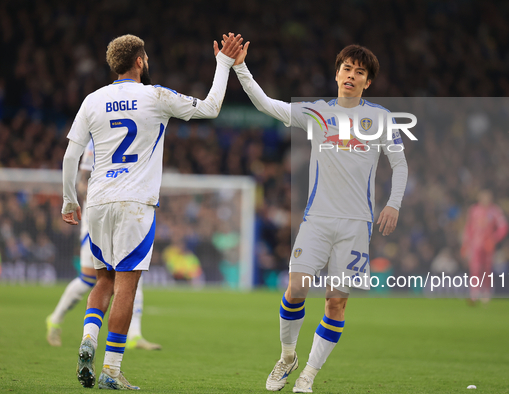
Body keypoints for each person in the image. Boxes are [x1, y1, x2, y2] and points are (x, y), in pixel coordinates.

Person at [61, 33, 242, 390]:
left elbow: (70, 156)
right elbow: (210, 108)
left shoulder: (92, 100)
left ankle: (88, 339)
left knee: (103, 280)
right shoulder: (156, 95)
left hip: (97, 200)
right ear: (140, 61)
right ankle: (111, 371)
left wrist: (70, 200)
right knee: (127, 285)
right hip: (135, 204)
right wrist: (223, 64)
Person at [229, 39, 408, 393]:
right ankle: (288, 357)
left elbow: (400, 164)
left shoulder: (381, 118)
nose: (351, 76)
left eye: (360, 73)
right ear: (336, 73)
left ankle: (308, 376)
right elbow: (265, 104)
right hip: (318, 219)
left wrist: (394, 203)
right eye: (346, 69)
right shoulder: (316, 112)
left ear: (368, 82)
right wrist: (239, 67)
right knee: (296, 289)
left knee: (336, 301)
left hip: (357, 224)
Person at [48, 140, 161, 350]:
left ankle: (134, 334)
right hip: (98, 217)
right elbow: (82, 183)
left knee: (133, 273)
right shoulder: (97, 139)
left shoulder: (133, 135)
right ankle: (55, 319)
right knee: (90, 279)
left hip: (124, 214)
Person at [461, 189, 509, 303]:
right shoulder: (474, 210)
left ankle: (487, 292)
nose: (485, 199)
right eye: (483, 197)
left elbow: (504, 227)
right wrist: (466, 244)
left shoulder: (495, 211)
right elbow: (469, 228)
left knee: (487, 269)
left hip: (488, 245)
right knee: (475, 268)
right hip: (475, 245)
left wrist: (494, 239)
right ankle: (474, 293)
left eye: (487, 197)